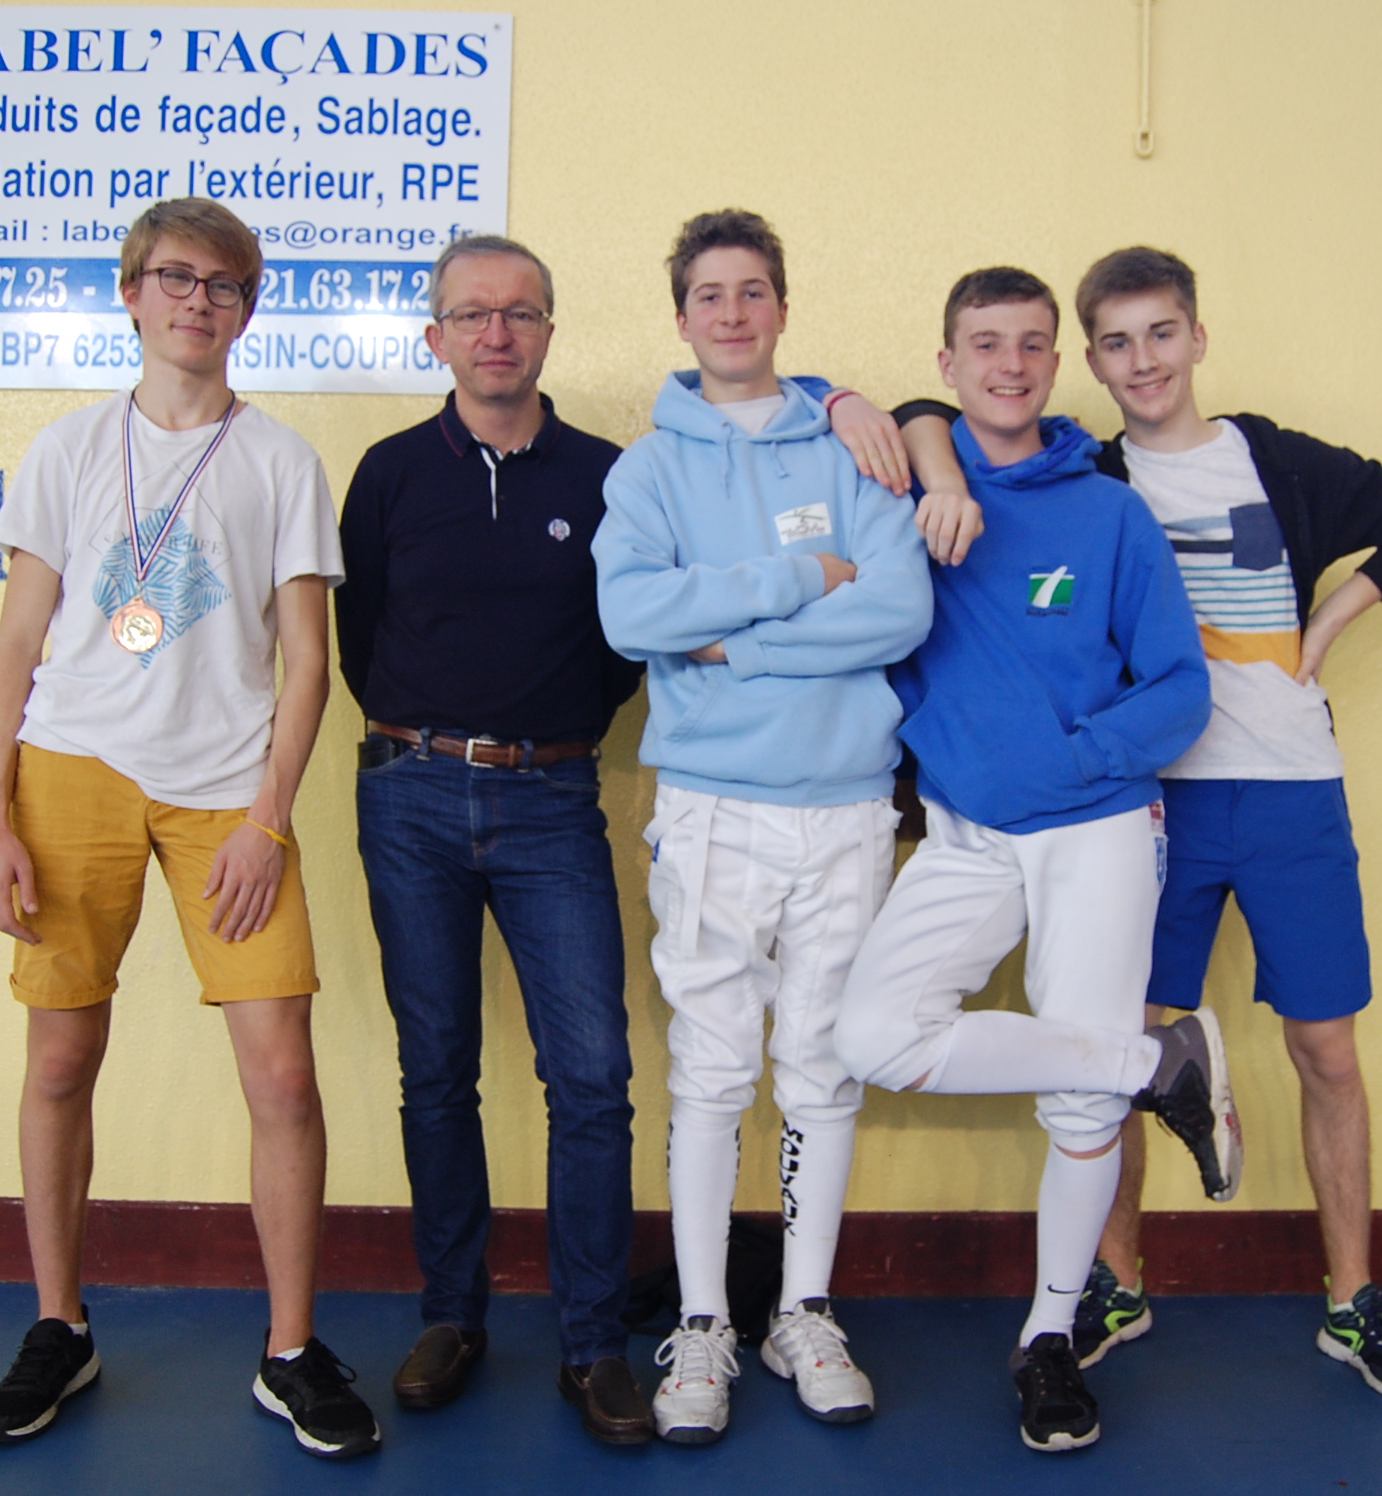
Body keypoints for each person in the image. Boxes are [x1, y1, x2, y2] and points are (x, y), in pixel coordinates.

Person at [337, 231, 916, 1446]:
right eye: (473, 314)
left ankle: (595, 1340)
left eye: (521, 312)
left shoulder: (605, 469)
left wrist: (738, 627)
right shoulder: (393, 473)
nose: (497, 333)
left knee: (594, 1072)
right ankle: (452, 1316)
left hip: (554, 794)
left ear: (552, 330)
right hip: (412, 790)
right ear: (437, 334)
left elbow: (872, 609)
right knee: (436, 1066)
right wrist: (810, 577)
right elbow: (380, 633)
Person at [897, 245, 1382, 1401]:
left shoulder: (1272, 459)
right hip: (1151, 800)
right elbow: (924, 412)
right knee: (1125, 1044)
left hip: (1293, 789)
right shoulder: (1089, 477)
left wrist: (1327, 624)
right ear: (1090, 362)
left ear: (1197, 338)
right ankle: (1117, 1280)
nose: (1143, 359)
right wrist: (926, 452)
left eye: (1162, 332)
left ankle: (1353, 1297)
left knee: (1327, 1049)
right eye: (1117, 342)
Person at [0, 198, 376, 1459]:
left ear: (249, 309)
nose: (199, 301)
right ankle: (60, 1325)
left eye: (224, 285)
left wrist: (268, 819)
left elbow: (307, 663)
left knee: (283, 1073)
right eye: (176, 278)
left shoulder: (281, 461)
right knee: (58, 1059)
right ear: (131, 292)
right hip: (70, 771)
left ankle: (291, 1349)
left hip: (224, 794)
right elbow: (17, 642)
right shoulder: (66, 448)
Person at [833, 266, 1237, 1455]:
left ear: (1056, 364)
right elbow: (776, 390)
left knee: (1079, 1104)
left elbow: (1181, 689)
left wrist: (1072, 760)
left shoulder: (1110, 513)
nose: (1008, 365)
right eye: (984, 344)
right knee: (876, 1032)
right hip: (967, 831)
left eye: (1029, 345)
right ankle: (1153, 1060)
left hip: (1098, 824)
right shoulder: (903, 491)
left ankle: (1051, 1335)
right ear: (946, 364)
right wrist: (872, 414)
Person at [593, 208, 935, 1446]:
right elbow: (636, 617)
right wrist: (797, 581)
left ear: (783, 308)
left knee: (823, 1065)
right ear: (681, 317)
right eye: (710, 295)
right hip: (713, 807)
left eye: (753, 291)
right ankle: (703, 1322)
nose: (732, 313)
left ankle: (803, 1310)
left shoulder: (853, 449)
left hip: (844, 802)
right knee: (712, 1066)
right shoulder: (648, 470)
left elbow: (898, 609)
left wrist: (733, 641)